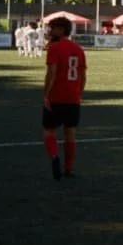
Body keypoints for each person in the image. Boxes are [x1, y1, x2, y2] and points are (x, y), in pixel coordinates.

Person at [41, 16, 87, 181]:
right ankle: (69, 168)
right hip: (73, 98)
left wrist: (46, 93)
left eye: (53, 27)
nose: (50, 30)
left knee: (49, 130)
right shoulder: (79, 49)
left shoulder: (54, 48)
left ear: (61, 29)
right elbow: (83, 76)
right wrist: (79, 94)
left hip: (56, 97)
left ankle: (54, 156)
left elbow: (51, 73)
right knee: (70, 133)